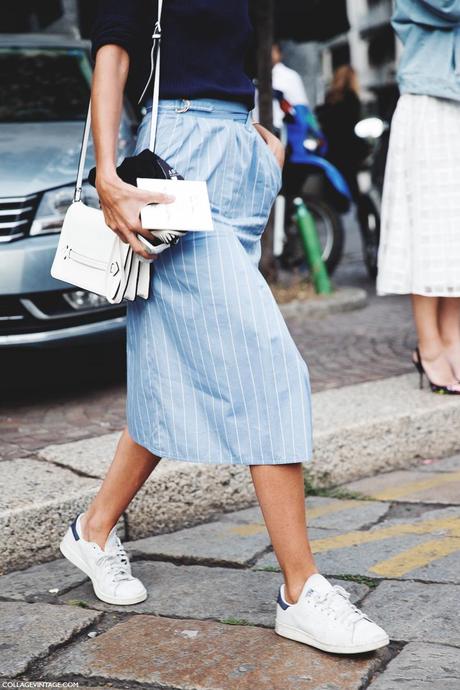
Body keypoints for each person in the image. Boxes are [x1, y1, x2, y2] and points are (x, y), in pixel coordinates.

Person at [59, 0, 389, 655]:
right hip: (176, 171)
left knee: (171, 374)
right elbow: (114, 52)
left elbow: (227, 65)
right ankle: (300, 590)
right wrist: (106, 172)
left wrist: (261, 145)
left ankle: (93, 530)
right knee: (268, 366)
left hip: (238, 163)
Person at [377, 0, 460, 394]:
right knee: (429, 225)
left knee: (455, 230)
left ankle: (452, 339)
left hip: (452, 98)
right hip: (431, 99)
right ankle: (429, 345)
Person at [316, 65, 365, 202]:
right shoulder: (352, 99)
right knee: (350, 186)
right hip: (348, 148)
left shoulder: (330, 98)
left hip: (331, 148)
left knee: (332, 186)